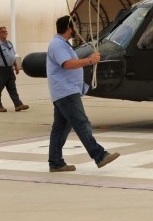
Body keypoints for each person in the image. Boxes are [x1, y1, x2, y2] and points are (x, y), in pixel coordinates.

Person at [46, 15, 120, 172]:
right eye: (74, 27)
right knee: (81, 123)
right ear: (69, 28)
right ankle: (99, 155)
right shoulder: (58, 45)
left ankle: (55, 162)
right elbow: (67, 64)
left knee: (60, 129)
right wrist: (89, 61)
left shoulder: (63, 44)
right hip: (66, 92)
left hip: (64, 92)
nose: (76, 30)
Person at [0, 26, 29, 113]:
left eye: (6, 31)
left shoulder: (9, 43)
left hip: (9, 69)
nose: (5, 33)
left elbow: (12, 56)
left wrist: (16, 67)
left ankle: (18, 104)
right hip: (0, 69)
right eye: (3, 32)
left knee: (12, 87)